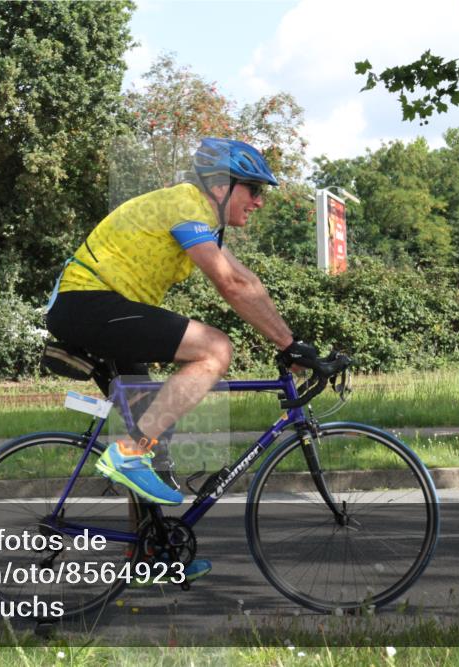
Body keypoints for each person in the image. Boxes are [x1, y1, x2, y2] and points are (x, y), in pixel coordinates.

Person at [44, 137, 325, 583]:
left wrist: (294, 344)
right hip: (88, 303)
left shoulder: (203, 220)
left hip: (101, 307)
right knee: (215, 348)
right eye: (253, 189)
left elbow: (249, 283)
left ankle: (148, 554)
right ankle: (127, 454)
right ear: (221, 186)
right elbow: (229, 285)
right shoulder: (187, 204)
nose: (259, 201)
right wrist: (287, 344)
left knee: (156, 430)